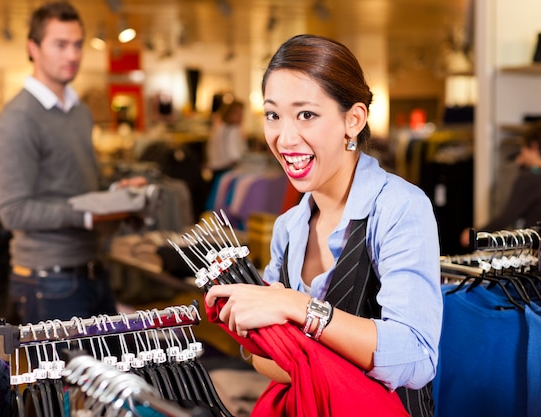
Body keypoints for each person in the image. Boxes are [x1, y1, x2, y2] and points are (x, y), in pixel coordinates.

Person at [205, 34, 442, 416]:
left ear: (354, 119)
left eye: (307, 115)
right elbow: (260, 356)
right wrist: (262, 339)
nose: (285, 138)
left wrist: (296, 308)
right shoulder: (289, 226)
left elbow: (415, 359)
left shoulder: (400, 208)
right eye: (272, 115)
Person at [0, 1, 132, 324]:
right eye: (61, 45)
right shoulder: (19, 119)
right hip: (47, 280)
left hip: (92, 268)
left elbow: (77, 187)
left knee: (109, 374)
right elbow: (13, 210)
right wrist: (85, 214)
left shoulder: (79, 111)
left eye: (78, 44)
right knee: (65, 377)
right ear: (33, 48)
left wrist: (115, 195)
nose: (73, 55)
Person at [460, 121, 541, 248]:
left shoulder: (530, 180)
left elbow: (506, 218)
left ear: (534, 146)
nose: (521, 153)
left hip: (535, 250)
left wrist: (476, 234)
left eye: (523, 147)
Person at [205, 98, 247, 187]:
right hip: (227, 171)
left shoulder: (219, 128)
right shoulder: (233, 130)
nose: (241, 116)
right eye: (238, 113)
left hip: (215, 170)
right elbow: (234, 155)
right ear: (230, 113)